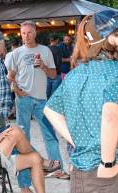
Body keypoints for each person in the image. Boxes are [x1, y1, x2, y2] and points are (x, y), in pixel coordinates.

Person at [44, 10, 118, 193]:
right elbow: (110, 115)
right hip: (107, 171)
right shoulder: (114, 71)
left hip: (81, 170)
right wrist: (108, 162)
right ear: (111, 38)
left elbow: (50, 110)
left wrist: (77, 140)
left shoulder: (75, 74)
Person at [7, 21, 66, 189]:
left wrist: (44, 67)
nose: (26, 36)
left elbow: (54, 75)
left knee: (50, 134)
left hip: (41, 100)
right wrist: (16, 89)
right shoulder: (16, 53)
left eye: (29, 33)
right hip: (23, 100)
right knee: (23, 137)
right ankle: (25, 175)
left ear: (35, 33)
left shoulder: (45, 51)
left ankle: (57, 168)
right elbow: (10, 76)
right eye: (23, 33)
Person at [46, 34, 63, 99]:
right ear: (57, 40)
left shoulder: (46, 49)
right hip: (56, 74)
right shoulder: (58, 49)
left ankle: (44, 108)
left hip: (47, 74)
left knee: (46, 95)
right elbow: (59, 62)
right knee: (54, 96)